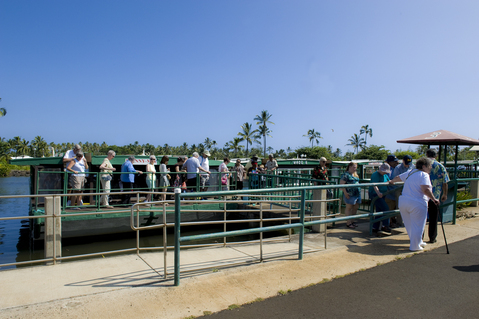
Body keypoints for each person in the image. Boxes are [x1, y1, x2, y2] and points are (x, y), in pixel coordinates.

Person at [389, 157, 439, 251]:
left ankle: (418, 242)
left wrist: (391, 181)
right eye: (429, 166)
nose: (430, 168)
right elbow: (425, 189)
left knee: (410, 225)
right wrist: (434, 199)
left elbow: (397, 178)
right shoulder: (424, 175)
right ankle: (415, 246)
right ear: (424, 166)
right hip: (417, 202)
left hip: (404, 202)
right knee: (419, 225)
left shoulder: (411, 172)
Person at [426, 149, 450, 243]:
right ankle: (432, 237)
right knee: (433, 217)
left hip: (423, 194)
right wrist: (444, 194)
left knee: (422, 218)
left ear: (427, 155)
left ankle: (419, 238)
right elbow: (445, 182)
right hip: (435, 195)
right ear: (435, 156)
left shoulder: (422, 165)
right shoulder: (440, 165)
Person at [369, 163, 391, 233]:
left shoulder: (385, 175)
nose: (385, 172)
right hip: (375, 195)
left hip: (382, 194)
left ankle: (375, 227)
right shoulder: (375, 175)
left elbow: (388, 181)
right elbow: (374, 185)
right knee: (385, 208)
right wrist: (378, 193)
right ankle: (385, 225)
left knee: (379, 211)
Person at [340, 162, 361, 229]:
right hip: (350, 194)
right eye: (354, 167)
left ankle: (352, 221)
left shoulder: (355, 174)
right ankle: (348, 223)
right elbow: (341, 184)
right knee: (349, 208)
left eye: (356, 167)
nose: (355, 169)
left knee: (355, 207)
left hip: (357, 194)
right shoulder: (345, 175)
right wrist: (345, 193)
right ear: (350, 167)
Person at [385, 154, 400, 227]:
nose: (396, 163)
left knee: (395, 208)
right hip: (389, 193)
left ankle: (393, 221)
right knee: (389, 208)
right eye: (394, 162)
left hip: (396, 192)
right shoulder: (387, 169)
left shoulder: (396, 168)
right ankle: (389, 223)